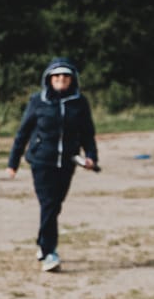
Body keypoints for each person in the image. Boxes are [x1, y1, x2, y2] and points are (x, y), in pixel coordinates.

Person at [6, 58, 98, 272]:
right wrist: (13, 162)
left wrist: (91, 156)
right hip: (41, 162)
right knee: (48, 204)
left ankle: (42, 241)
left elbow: (87, 133)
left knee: (55, 206)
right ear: (49, 79)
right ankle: (49, 252)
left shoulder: (79, 102)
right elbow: (22, 133)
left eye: (65, 76)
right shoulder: (37, 101)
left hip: (67, 162)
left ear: (72, 79)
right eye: (56, 76)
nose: (61, 79)